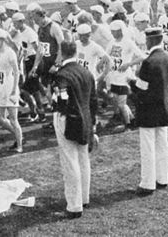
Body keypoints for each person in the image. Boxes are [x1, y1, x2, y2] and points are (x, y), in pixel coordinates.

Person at [52, 40, 98, 219]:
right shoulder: (86, 72)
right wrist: (93, 124)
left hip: (68, 119)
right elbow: (93, 101)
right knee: (83, 158)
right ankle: (84, 198)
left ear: (61, 53)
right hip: (86, 118)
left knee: (70, 161)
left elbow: (60, 102)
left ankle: (74, 205)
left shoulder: (61, 75)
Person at [132, 27, 168, 195]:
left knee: (148, 147)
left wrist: (130, 83)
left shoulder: (149, 62)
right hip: (162, 106)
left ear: (149, 41)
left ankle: (148, 183)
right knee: (162, 144)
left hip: (148, 108)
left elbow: (141, 89)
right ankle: (162, 178)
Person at [0, 28, 23, 152]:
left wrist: (14, 90)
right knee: (0, 117)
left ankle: (19, 145)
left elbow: (17, 72)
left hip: (9, 89)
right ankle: (18, 135)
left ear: (2, 40)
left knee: (13, 119)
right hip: (0, 89)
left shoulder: (10, 53)